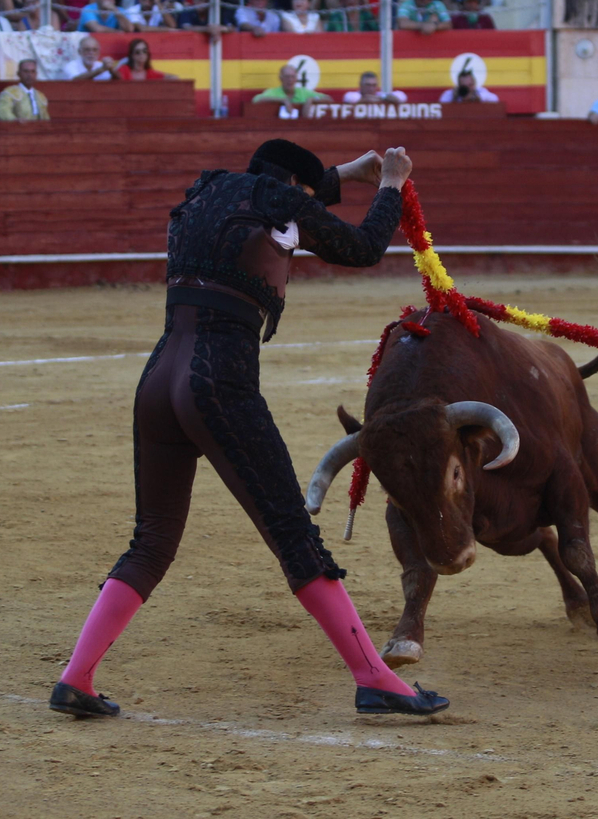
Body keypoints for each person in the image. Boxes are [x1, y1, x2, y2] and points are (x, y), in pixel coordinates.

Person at [50, 138, 446, 721]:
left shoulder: (209, 191)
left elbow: (282, 203)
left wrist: (341, 175)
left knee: (153, 538)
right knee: (293, 535)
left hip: (159, 380)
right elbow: (362, 246)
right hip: (220, 382)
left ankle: (76, 677)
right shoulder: (280, 201)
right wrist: (387, 183)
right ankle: (374, 678)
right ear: (293, 190)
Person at [251, 63, 328, 118]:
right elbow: (256, 100)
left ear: (296, 79)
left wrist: (312, 99)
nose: (290, 80)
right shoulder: (274, 92)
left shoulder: (303, 92)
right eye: (287, 77)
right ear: (281, 78)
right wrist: (282, 100)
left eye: (292, 77)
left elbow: (328, 98)